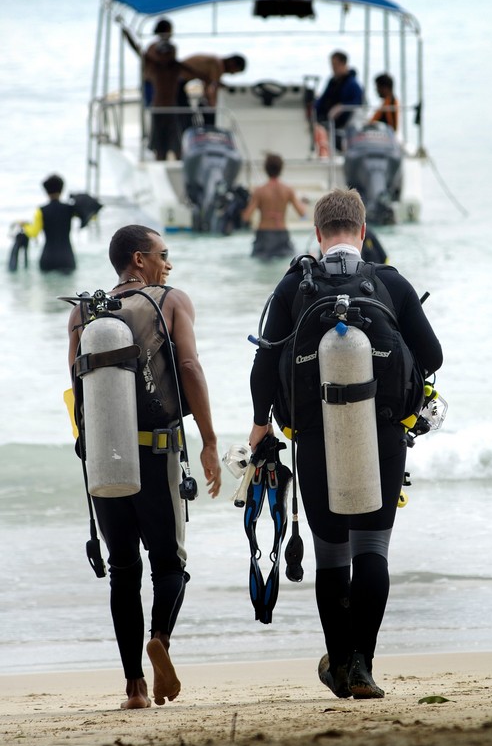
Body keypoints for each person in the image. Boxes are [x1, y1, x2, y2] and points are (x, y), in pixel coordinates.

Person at [247, 188, 442, 699]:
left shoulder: (294, 285)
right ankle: (362, 665)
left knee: (331, 554)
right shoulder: (390, 282)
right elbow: (433, 355)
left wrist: (259, 424)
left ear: (317, 234)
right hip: (382, 430)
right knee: (372, 548)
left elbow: (264, 367)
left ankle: (336, 667)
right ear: (361, 230)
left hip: (313, 436)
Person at [67, 225, 222, 710]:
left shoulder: (82, 312)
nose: (168, 264)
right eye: (162, 254)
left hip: (104, 456)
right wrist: (210, 441)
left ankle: (133, 686)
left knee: (122, 570)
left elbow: (74, 388)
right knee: (170, 564)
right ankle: (160, 638)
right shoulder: (170, 300)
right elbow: (191, 368)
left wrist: (90, 450)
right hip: (156, 454)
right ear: (139, 259)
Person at [121, 18, 192, 160]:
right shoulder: (154, 64)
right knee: (160, 149)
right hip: (159, 109)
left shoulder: (176, 67)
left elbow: (198, 73)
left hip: (171, 109)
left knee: (176, 147)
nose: (166, 55)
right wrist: (127, 33)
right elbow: (138, 50)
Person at [242, 153, 307, 259]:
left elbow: (246, 217)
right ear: (281, 169)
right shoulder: (288, 190)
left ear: (265, 169)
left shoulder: (259, 191)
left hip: (264, 235)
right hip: (282, 233)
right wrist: (304, 203)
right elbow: (302, 213)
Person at [19, 174, 80, 272]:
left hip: (47, 259)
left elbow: (34, 233)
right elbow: (89, 215)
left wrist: (25, 225)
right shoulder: (70, 209)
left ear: (46, 191)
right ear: (62, 189)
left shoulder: (41, 210)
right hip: (67, 258)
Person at [314, 51, 364, 157]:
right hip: (325, 119)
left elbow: (357, 103)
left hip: (340, 123)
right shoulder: (332, 82)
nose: (333, 68)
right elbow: (323, 99)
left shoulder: (353, 85)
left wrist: (341, 107)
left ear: (343, 64)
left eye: (335, 65)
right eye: (332, 65)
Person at [178, 54, 247, 126]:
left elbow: (209, 82)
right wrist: (212, 108)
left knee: (186, 112)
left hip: (179, 82)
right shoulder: (216, 64)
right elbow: (212, 88)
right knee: (185, 112)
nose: (232, 73)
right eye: (234, 71)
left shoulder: (214, 62)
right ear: (232, 63)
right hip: (176, 82)